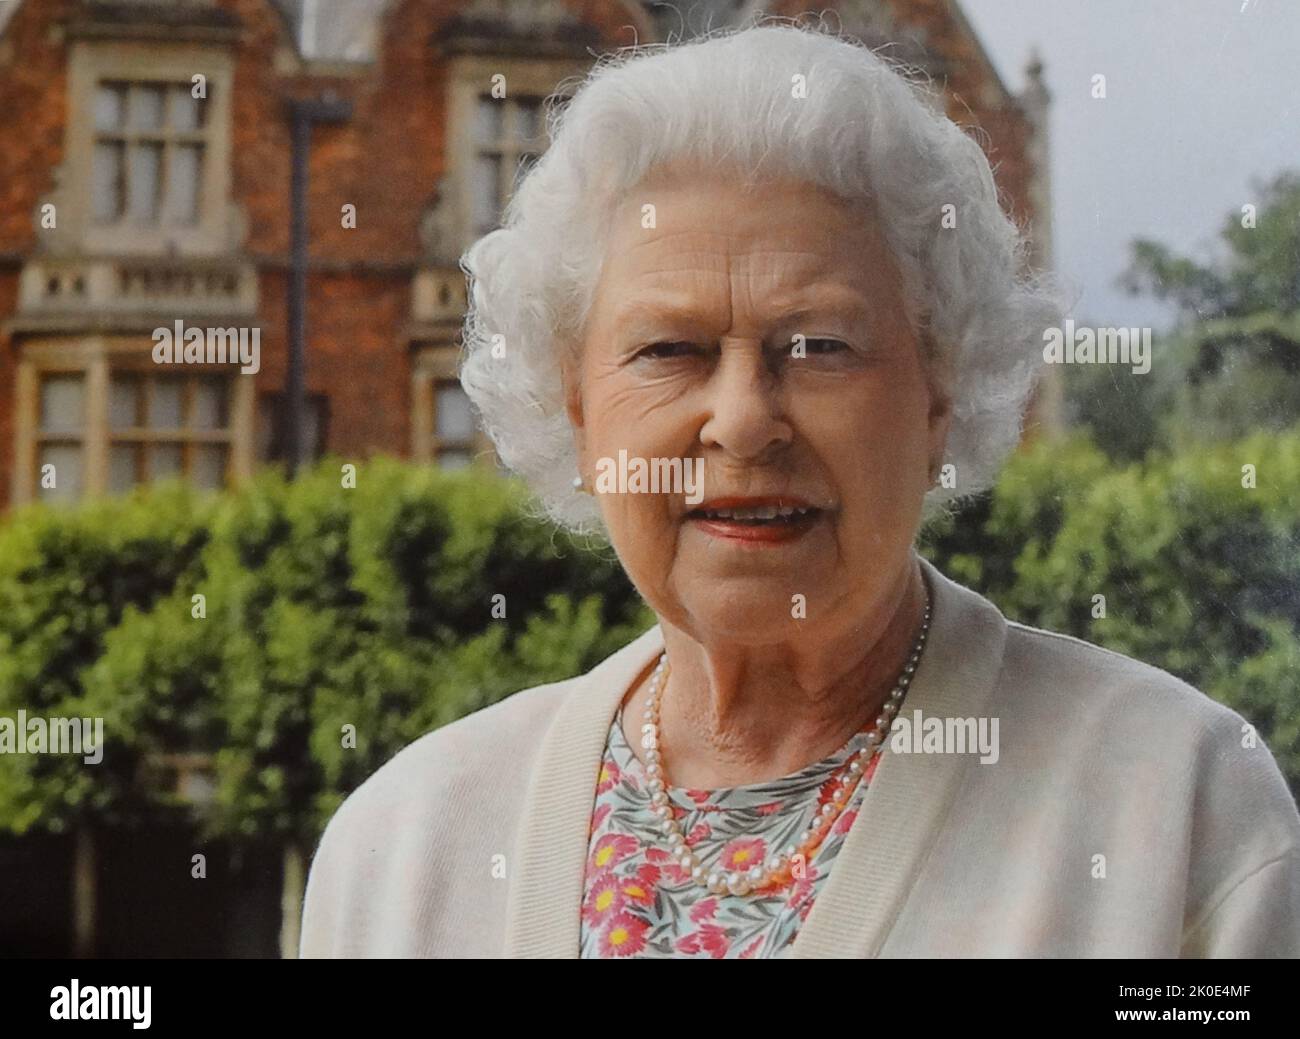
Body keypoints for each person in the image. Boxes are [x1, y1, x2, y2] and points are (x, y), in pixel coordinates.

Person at [299, 23, 1300, 959]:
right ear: (576, 404)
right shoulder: (403, 846)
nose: (742, 419)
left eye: (820, 345)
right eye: (668, 349)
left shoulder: (1181, 808)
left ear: (938, 387)